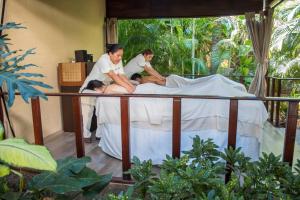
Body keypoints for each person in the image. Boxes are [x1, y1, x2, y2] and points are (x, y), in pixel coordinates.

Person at [80, 44, 135, 141]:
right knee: (87, 113)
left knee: (101, 111)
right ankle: (86, 136)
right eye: (118, 55)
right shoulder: (103, 59)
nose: (120, 58)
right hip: (90, 87)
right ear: (110, 54)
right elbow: (113, 75)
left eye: (121, 55)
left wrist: (131, 86)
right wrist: (128, 88)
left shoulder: (118, 60)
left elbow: (121, 75)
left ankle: (99, 135)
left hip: (103, 88)